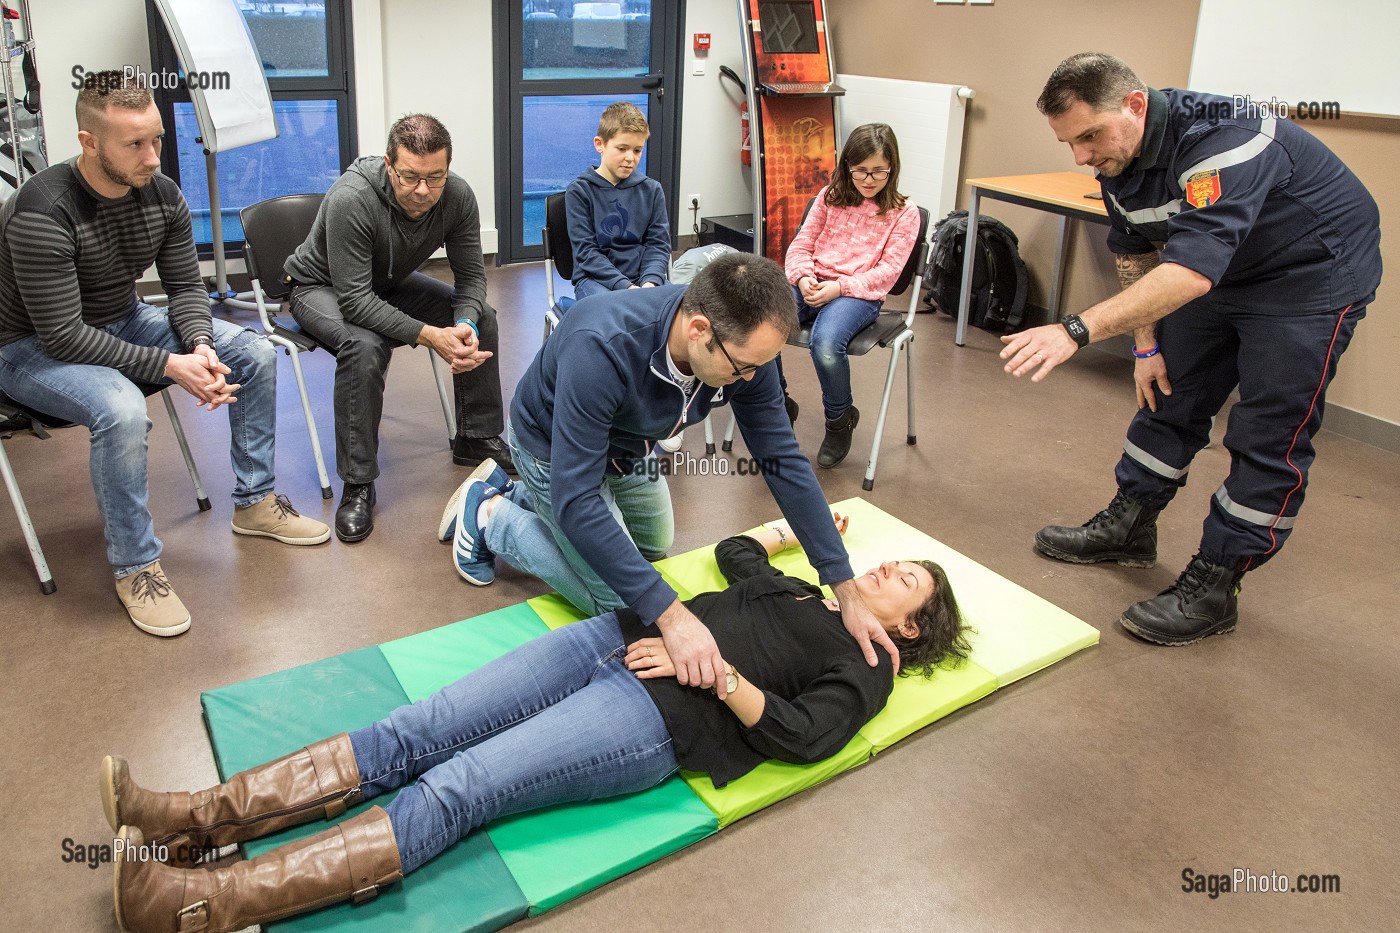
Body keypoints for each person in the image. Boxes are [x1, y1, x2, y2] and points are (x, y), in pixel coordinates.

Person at [103, 521, 971, 932]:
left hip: (653, 715)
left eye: (912, 582)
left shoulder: (869, 667)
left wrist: (716, 669)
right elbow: (737, 560)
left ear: (909, 630)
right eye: (899, 560)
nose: (894, 567)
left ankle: (197, 904)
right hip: (614, 636)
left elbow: (801, 734)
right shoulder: (821, 591)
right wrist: (782, 538)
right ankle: (187, 821)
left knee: (459, 783)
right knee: (418, 725)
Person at [1000, 52, 1382, 646]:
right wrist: (1146, 345)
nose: (1081, 156)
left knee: (1266, 433)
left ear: (1133, 105)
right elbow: (1134, 246)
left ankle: (1216, 582)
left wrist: (1074, 329)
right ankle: (1130, 525)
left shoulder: (1224, 139)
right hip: (1216, 268)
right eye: (1068, 142)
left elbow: (1188, 275)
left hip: (1309, 279)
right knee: (1168, 394)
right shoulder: (1119, 152)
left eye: (1089, 136)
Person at [446, 251, 900, 696]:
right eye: (742, 368)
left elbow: (782, 458)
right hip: (551, 450)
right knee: (630, 608)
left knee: (653, 546)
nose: (750, 380)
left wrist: (843, 585)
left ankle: (519, 498)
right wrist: (672, 615)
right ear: (698, 329)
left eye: (759, 366)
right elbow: (577, 496)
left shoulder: (747, 344)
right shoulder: (601, 343)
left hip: (631, 446)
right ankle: (491, 517)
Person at [0, 73, 329, 638]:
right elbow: (61, 337)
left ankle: (252, 503)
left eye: (156, 139)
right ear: (89, 143)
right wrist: (170, 366)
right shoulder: (41, 211)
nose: (153, 157)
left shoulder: (162, 194)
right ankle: (136, 566)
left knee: (251, 351)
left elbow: (184, 291)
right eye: (135, 144)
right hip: (28, 348)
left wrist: (199, 343)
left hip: (122, 320)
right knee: (124, 407)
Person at [284, 113, 512, 545]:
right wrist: (432, 336)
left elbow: (471, 278)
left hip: (383, 282)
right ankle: (358, 483)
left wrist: (462, 323)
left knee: (482, 315)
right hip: (319, 287)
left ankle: (477, 438)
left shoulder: (457, 195)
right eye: (409, 177)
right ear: (389, 166)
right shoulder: (353, 197)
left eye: (435, 177)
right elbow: (354, 302)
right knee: (364, 345)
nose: (423, 190)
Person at [785, 123, 920, 469]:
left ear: (893, 168)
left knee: (826, 344)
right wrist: (803, 278)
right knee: (762, 322)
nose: (869, 179)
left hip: (859, 294)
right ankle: (777, 402)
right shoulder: (828, 197)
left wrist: (840, 287)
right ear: (847, 165)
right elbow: (800, 245)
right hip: (813, 281)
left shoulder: (905, 214)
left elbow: (887, 273)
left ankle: (840, 419)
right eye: (860, 170)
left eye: (879, 171)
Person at [565, 101, 672, 299]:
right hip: (595, 280)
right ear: (600, 144)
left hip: (643, 279)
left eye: (637, 150)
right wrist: (627, 288)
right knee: (616, 314)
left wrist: (650, 282)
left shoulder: (652, 190)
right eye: (622, 149)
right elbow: (587, 252)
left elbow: (658, 245)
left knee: (678, 309)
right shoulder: (579, 191)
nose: (630, 157)